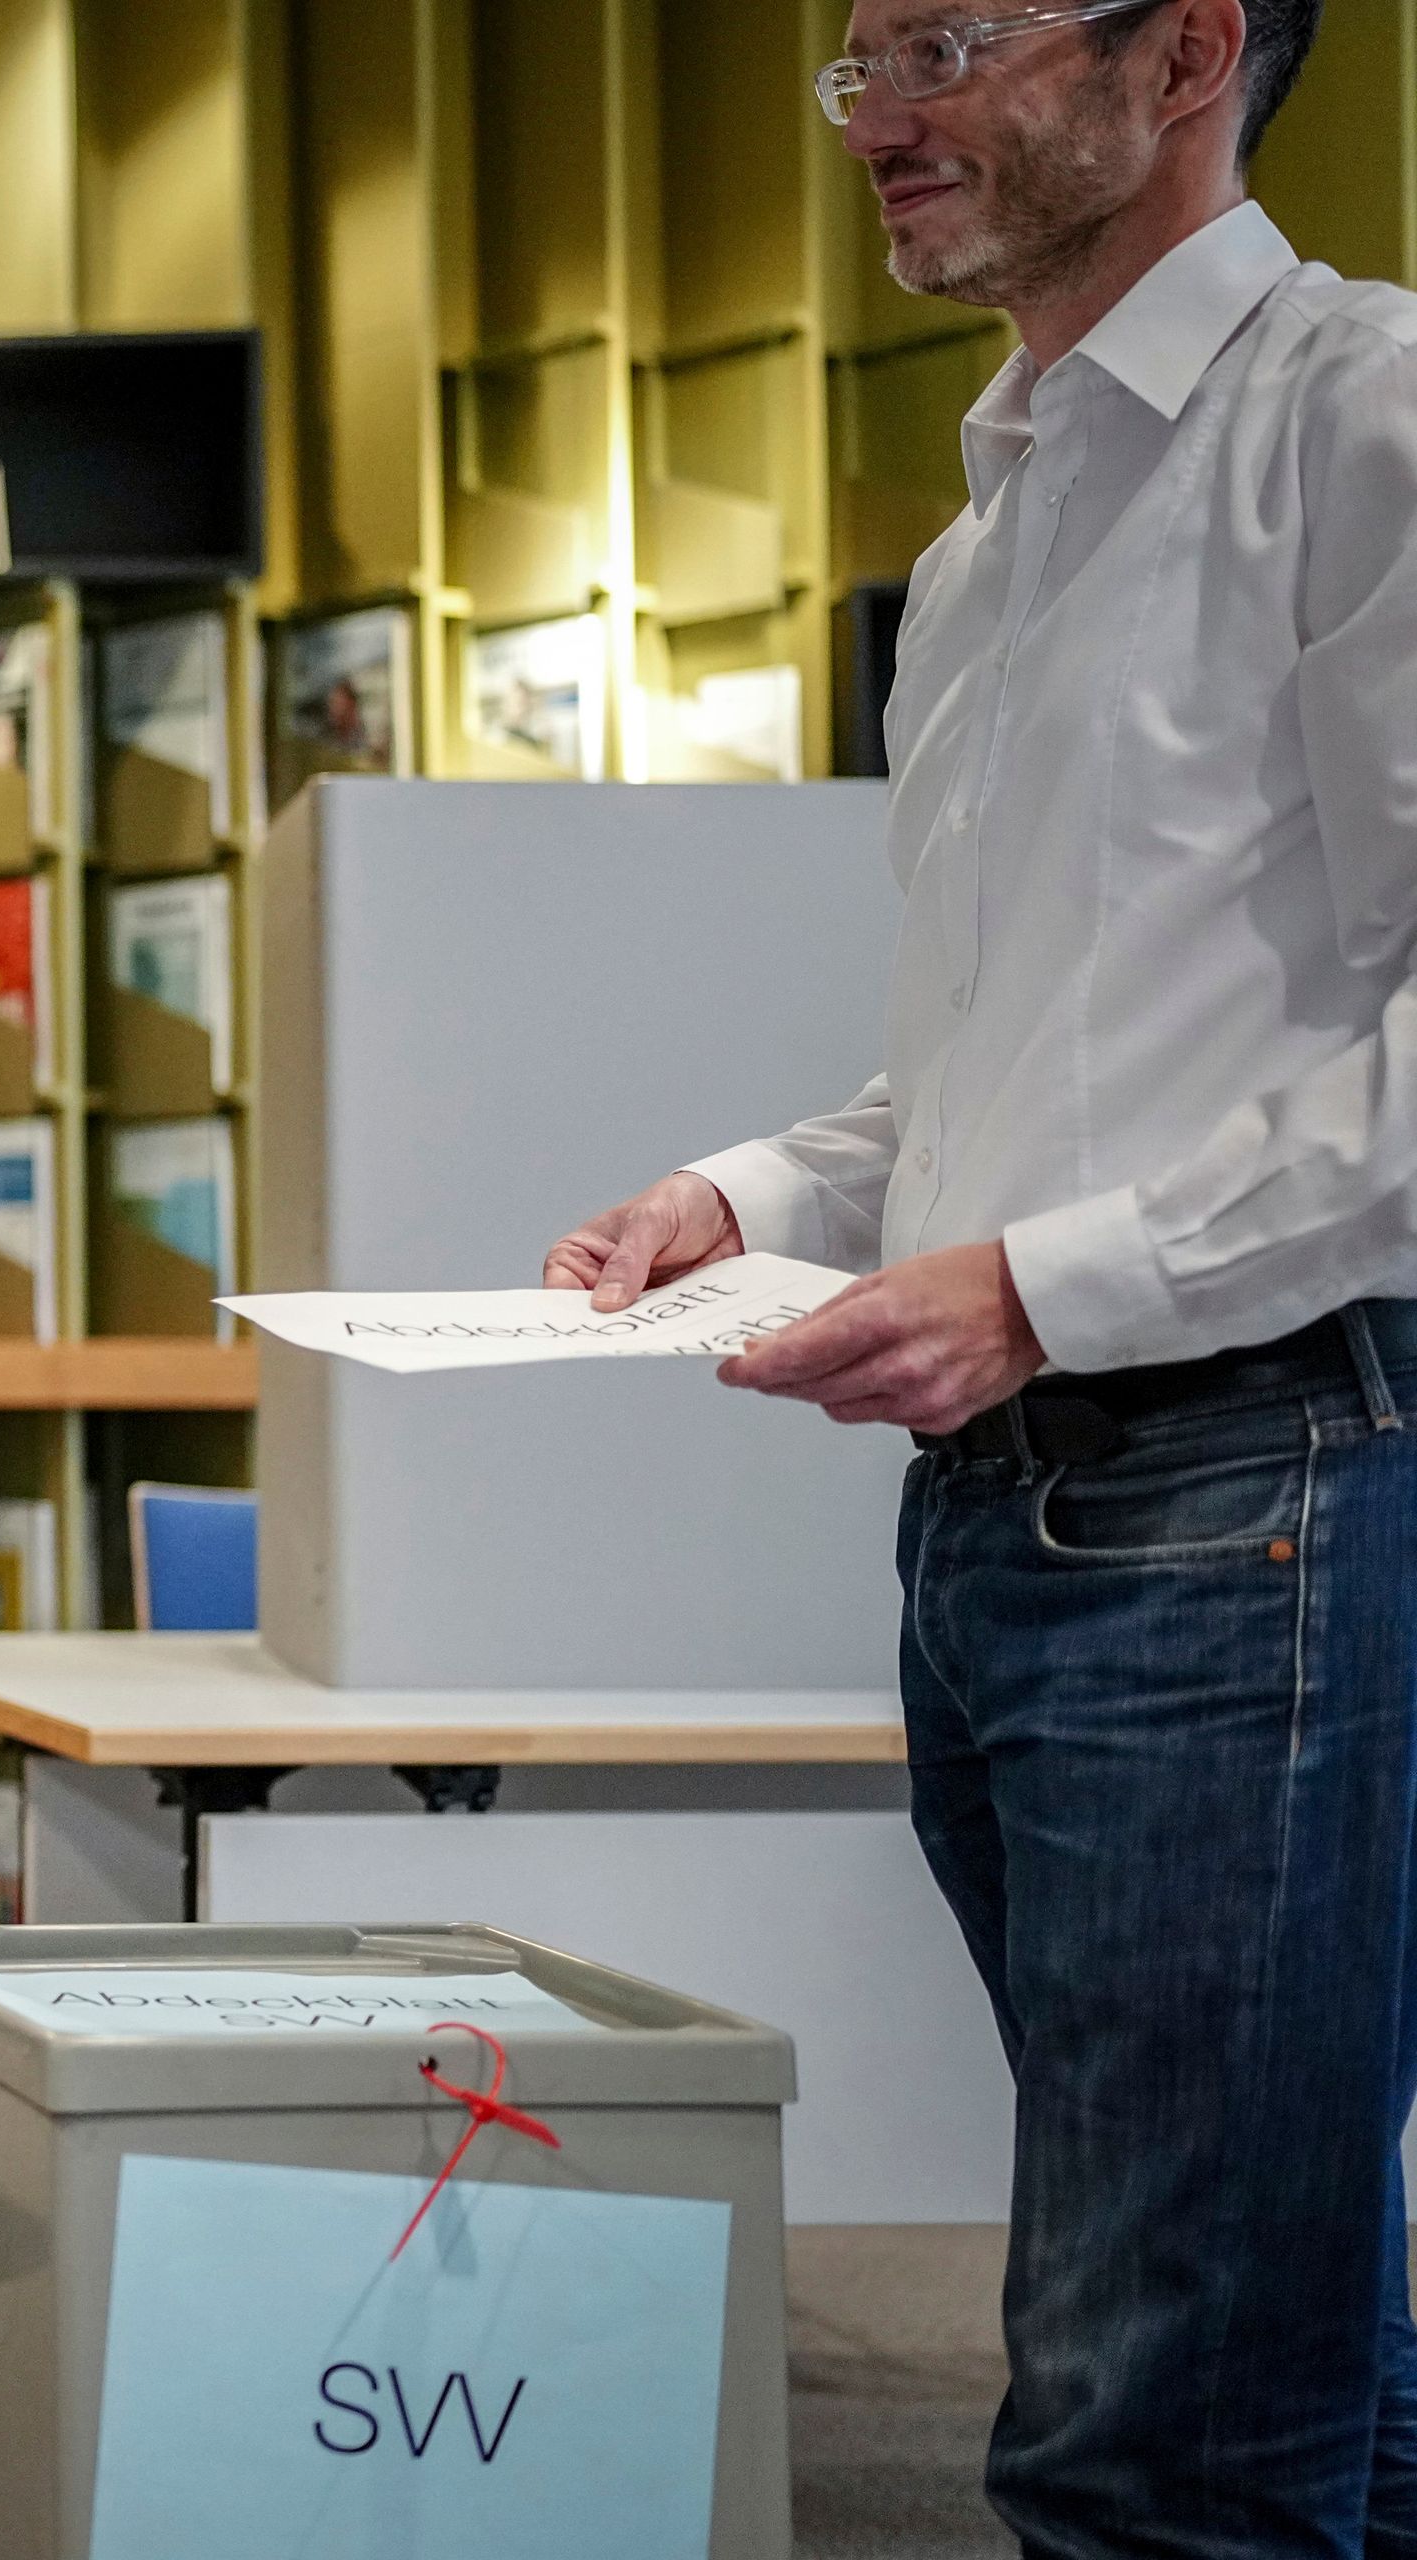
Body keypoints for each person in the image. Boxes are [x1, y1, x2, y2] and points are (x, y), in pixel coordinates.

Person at [548, 2, 1417, 2548]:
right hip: (1012, 1520)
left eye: (943, 38)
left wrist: (1044, 1284)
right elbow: (1005, 1066)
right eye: (848, 57)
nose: (876, 116)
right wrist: (754, 1194)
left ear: (1185, 58)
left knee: (1155, 2417)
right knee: (1275, 2333)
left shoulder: (1357, 423)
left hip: (1254, 1485)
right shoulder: (989, 531)